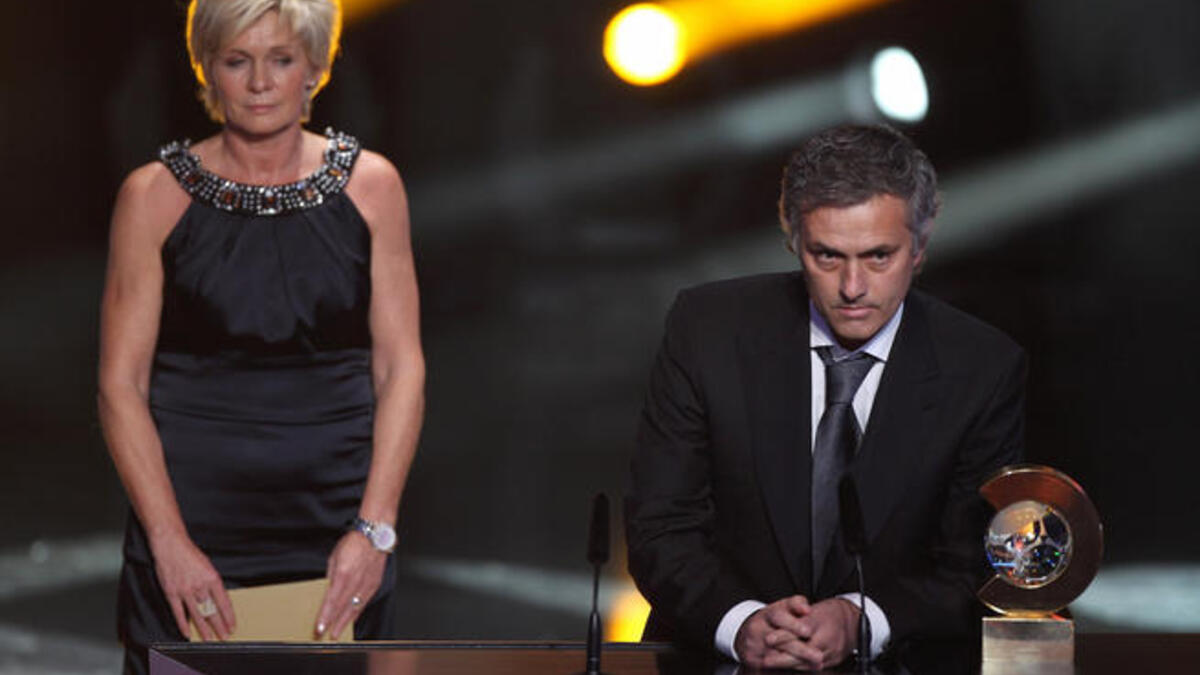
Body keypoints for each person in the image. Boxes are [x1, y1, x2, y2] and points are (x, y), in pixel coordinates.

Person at [97, 1, 424, 671]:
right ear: (206, 70)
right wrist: (168, 542)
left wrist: (374, 532)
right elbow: (119, 385)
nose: (259, 83)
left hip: (339, 529)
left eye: (281, 60)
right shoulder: (151, 196)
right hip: (189, 526)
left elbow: (402, 369)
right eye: (236, 61)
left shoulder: (373, 187)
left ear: (315, 68)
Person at [625, 124, 1025, 670]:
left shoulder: (982, 367)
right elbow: (660, 526)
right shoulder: (706, 331)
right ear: (792, 237)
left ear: (921, 246)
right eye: (827, 256)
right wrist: (740, 623)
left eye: (879, 256)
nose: (853, 287)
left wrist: (862, 620)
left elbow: (973, 562)